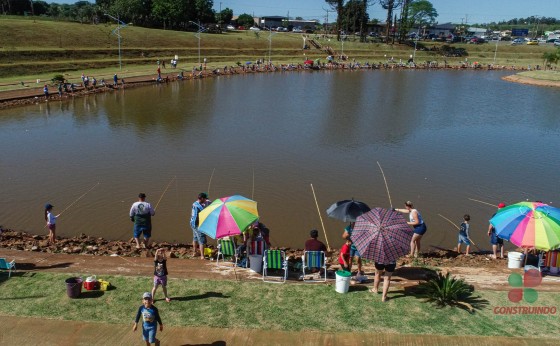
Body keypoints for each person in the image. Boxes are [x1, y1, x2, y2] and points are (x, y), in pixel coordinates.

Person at [190, 192, 211, 259]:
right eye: (205, 199)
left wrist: (208, 202)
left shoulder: (195, 203)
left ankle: (194, 253)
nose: (206, 200)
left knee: (195, 238)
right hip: (197, 225)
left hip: (192, 223)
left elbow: (207, 201)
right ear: (201, 198)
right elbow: (204, 212)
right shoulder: (197, 206)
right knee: (202, 240)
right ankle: (202, 256)